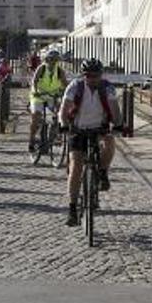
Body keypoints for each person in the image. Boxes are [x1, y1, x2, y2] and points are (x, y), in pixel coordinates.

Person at [58, 58, 120, 227]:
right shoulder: (75, 87)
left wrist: (118, 125)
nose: (92, 79)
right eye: (89, 76)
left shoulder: (107, 87)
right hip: (78, 128)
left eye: (96, 75)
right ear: (84, 75)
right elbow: (63, 109)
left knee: (110, 142)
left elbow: (115, 109)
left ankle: (102, 172)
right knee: (76, 165)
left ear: (101, 75)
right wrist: (63, 125)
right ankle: (72, 208)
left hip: (99, 128)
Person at [28, 49, 68, 152]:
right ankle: (31, 139)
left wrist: (64, 93)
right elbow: (34, 81)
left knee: (57, 116)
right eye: (51, 59)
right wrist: (36, 91)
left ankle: (53, 137)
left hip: (52, 96)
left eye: (55, 60)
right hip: (38, 96)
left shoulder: (59, 71)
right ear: (47, 59)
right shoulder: (41, 68)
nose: (53, 62)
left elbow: (65, 84)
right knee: (36, 116)